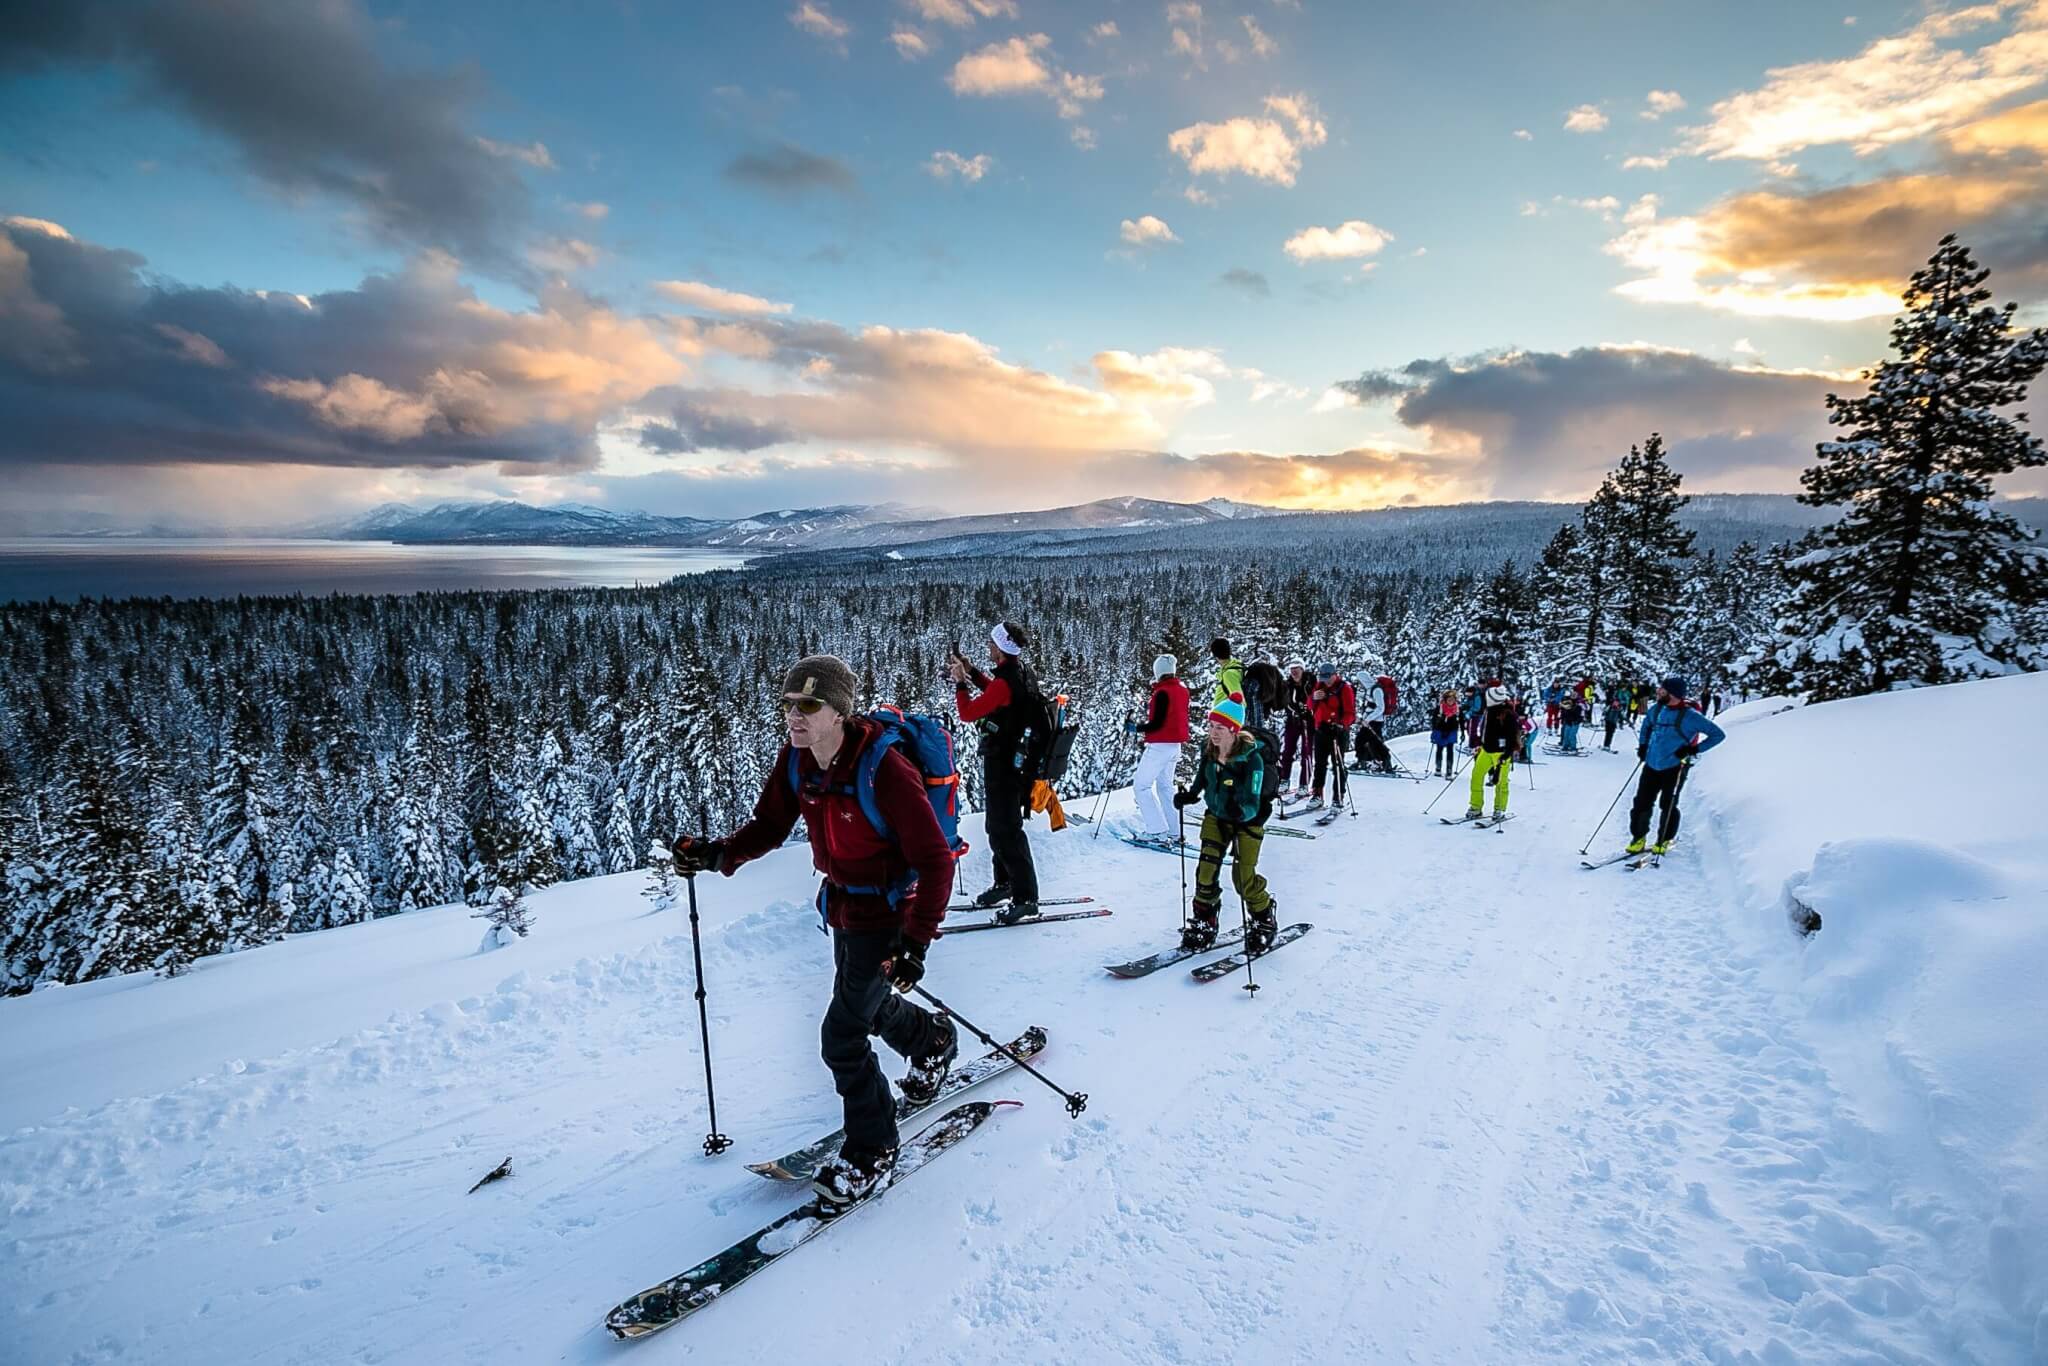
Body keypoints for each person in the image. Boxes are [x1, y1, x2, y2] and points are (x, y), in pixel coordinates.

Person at [671, 654, 958, 1206]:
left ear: (839, 712)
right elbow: (769, 825)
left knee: (842, 1036)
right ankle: (934, 1042)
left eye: (808, 705)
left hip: (889, 915)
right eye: (788, 704)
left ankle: (872, 1151)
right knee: (866, 1007)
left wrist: (915, 942)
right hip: (844, 908)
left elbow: (936, 858)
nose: (794, 716)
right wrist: (715, 856)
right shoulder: (799, 761)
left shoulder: (884, 770)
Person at [1171, 694, 1278, 954]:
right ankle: (1205, 920)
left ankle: (1264, 918)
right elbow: (1201, 780)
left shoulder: (1253, 759)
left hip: (1247, 823)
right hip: (1217, 817)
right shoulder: (1209, 752)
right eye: (1210, 726)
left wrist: (1240, 810)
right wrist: (1190, 795)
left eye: (1219, 727)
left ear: (1234, 729)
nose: (1213, 732)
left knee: (1243, 879)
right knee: (1205, 873)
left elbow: (1253, 799)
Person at [951, 621, 1042, 917]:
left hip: (1004, 764)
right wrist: (972, 671)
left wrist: (961, 682)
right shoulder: (1021, 672)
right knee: (998, 826)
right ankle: (1005, 884)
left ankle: (1026, 897)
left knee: (1007, 830)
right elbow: (997, 692)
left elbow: (967, 713)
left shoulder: (1007, 681)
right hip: (1015, 761)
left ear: (1001, 648)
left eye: (991, 643)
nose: (988, 647)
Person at [1626, 675, 1727, 855]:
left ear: (1672, 693)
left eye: (1662, 689)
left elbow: (1718, 735)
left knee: (1668, 804)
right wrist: (1643, 745)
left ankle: (1663, 840)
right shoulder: (1656, 709)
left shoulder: (1691, 716)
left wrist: (1693, 749)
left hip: (1675, 766)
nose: (1658, 691)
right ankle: (1638, 838)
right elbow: (1646, 727)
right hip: (1651, 764)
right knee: (1641, 802)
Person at [1127, 654, 1189, 842]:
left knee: (1141, 786)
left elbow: (1157, 724)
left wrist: (1136, 728)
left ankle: (1156, 831)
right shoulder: (1181, 690)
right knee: (1164, 787)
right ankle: (1174, 831)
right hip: (1175, 746)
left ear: (1158, 672)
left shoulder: (1162, 692)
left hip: (1160, 746)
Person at [1464, 683, 1518, 820]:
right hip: (1486, 750)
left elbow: (1513, 736)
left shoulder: (1508, 714)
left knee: (1501, 782)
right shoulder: (1489, 710)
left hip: (1501, 753)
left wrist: (1507, 753)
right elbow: (1484, 731)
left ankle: (1499, 809)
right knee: (1476, 776)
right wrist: (1480, 744)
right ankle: (1476, 807)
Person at [1305, 663, 1355, 808]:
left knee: (1338, 764)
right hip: (1321, 729)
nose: (1326, 680)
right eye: (1323, 677)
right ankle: (1317, 795)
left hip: (1338, 731)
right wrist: (1313, 698)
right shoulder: (1319, 686)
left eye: (1328, 677)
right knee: (1320, 764)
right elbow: (1310, 706)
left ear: (1335, 675)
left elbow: (1350, 713)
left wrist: (1342, 724)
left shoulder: (1344, 688)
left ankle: (1338, 796)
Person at [1276, 659, 1312, 798]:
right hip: (1293, 720)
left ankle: (1304, 783)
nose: (1294, 672)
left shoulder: (1310, 682)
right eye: (1292, 670)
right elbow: (1284, 701)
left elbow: (1315, 699)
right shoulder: (1287, 685)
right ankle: (1284, 780)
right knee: (1287, 751)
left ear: (1302, 670)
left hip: (1309, 721)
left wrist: (1308, 709)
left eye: (1297, 669)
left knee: (1306, 752)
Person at [1241, 652, 1283, 734]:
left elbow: (1250, 706)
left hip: (1248, 714)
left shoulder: (1259, 680)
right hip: (1257, 692)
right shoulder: (1272, 680)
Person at [1428, 689, 1461, 777]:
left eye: (1453, 699)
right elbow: (1434, 720)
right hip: (1440, 730)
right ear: (1445, 700)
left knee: (1450, 750)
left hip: (1452, 732)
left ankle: (1449, 770)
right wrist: (1434, 730)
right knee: (1439, 749)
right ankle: (1438, 768)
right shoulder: (1440, 708)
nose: (1451, 701)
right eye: (1449, 699)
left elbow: (1461, 720)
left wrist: (1462, 732)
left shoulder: (1457, 709)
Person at [1209, 638, 1244, 706]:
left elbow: (1240, 701)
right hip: (1224, 714)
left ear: (1216, 656)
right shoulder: (1236, 666)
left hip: (1225, 715)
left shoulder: (1229, 674)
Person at [1601, 685, 1626, 752]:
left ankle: (1607, 745)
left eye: (1617, 702)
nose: (1616, 703)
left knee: (1610, 734)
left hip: (1613, 722)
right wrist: (1602, 719)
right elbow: (1604, 712)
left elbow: (1622, 717)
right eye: (1615, 702)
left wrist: (1621, 722)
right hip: (1608, 721)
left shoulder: (1620, 709)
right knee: (1607, 733)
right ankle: (1606, 745)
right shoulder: (1610, 707)